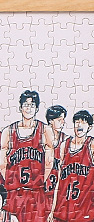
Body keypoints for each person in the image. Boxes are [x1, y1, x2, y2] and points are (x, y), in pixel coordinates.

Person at [51, 106, 94, 222]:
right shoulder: (65, 145)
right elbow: (59, 181)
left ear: (89, 127)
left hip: (85, 214)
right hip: (62, 213)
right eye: (77, 122)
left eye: (83, 122)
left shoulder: (92, 144)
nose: (79, 125)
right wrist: (52, 210)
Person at [0, 91, 53, 222]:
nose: (29, 108)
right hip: (14, 193)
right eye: (26, 105)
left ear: (37, 109)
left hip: (36, 193)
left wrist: (38, 182)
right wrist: (12, 182)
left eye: (32, 105)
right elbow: (2, 164)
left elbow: (49, 163)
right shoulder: (8, 131)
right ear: (20, 107)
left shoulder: (45, 130)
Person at [42, 109, 66, 212]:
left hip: (58, 193)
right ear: (51, 121)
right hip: (40, 192)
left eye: (63, 119)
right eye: (59, 120)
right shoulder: (40, 139)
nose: (63, 122)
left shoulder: (66, 140)